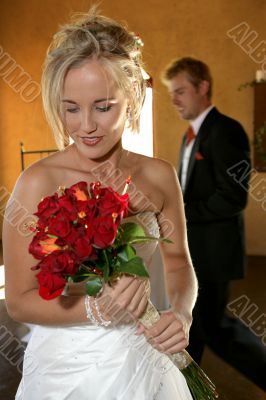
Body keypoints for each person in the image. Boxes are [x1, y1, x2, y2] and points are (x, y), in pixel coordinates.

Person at [3, 9, 198, 400]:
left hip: (146, 353)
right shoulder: (37, 182)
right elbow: (19, 302)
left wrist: (180, 314)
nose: (85, 125)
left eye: (103, 106)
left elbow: (179, 265)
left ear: (132, 97)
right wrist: (94, 310)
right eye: (71, 107)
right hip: (65, 367)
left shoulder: (159, 176)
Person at [162, 56, 266, 390]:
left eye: (180, 91)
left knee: (214, 327)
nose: (174, 100)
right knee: (197, 327)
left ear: (202, 87)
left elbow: (233, 198)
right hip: (195, 252)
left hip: (215, 253)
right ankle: (187, 389)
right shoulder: (189, 136)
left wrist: (179, 213)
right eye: (171, 93)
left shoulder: (227, 131)